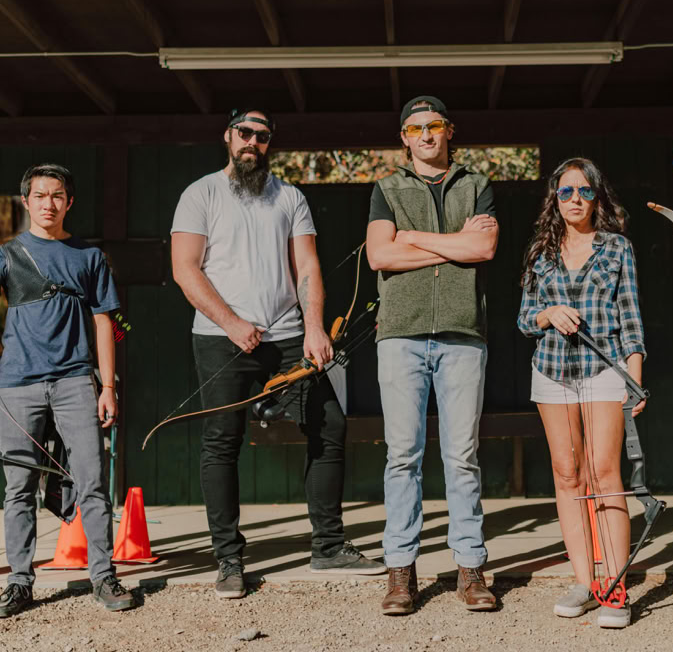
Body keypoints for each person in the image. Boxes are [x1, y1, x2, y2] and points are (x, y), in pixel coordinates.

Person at [171, 107, 384, 599]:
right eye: (245, 133)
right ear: (228, 136)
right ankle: (228, 560)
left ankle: (328, 546)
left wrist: (314, 329)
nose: (253, 142)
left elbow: (307, 265)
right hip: (221, 337)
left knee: (329, 427)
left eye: (263, 136)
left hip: (290, 335)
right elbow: (186, 269)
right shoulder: (200, 193)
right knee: (222, 442)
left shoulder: (289, 196)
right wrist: (232, 323)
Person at [366, 95, 499, 615]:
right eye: (415, 128)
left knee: (461, 455)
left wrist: (413, 239)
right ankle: (401, 572)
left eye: (434, 126)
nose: (426, 135)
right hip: (400, 334)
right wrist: (452, 242)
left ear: (449, 131)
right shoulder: (386, 188)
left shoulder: (476, 184)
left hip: (463, 333)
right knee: (403, 456)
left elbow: (483, 250)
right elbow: (380, 254)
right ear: (404, 137)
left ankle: (470, 569)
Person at [518, 157, 647, 629]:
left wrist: (635, 378)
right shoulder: (541, 251)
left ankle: (614, 585)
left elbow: (631, 318)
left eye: (585, 191)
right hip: (551, 372)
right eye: (566, 191)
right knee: (568, 475)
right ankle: (583, 579)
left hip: (603, 369)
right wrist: (548, 314)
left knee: (604, 471)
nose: (575, 199)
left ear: (598, 197)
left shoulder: (616, 248)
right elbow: (523, 317)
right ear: (555, 197)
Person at [0, 164, 134, 616]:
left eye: (57, 196)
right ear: (26, 201)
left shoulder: (88, 256)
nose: (48, 204)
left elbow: (103, 322)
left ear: (69, 202)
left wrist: (107, 385)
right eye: (40, 196)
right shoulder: (8, 254)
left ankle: (103, 576)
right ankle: (19, 582)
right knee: (18, 488)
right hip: (17, 384)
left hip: (77, 380)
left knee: (93, 482)